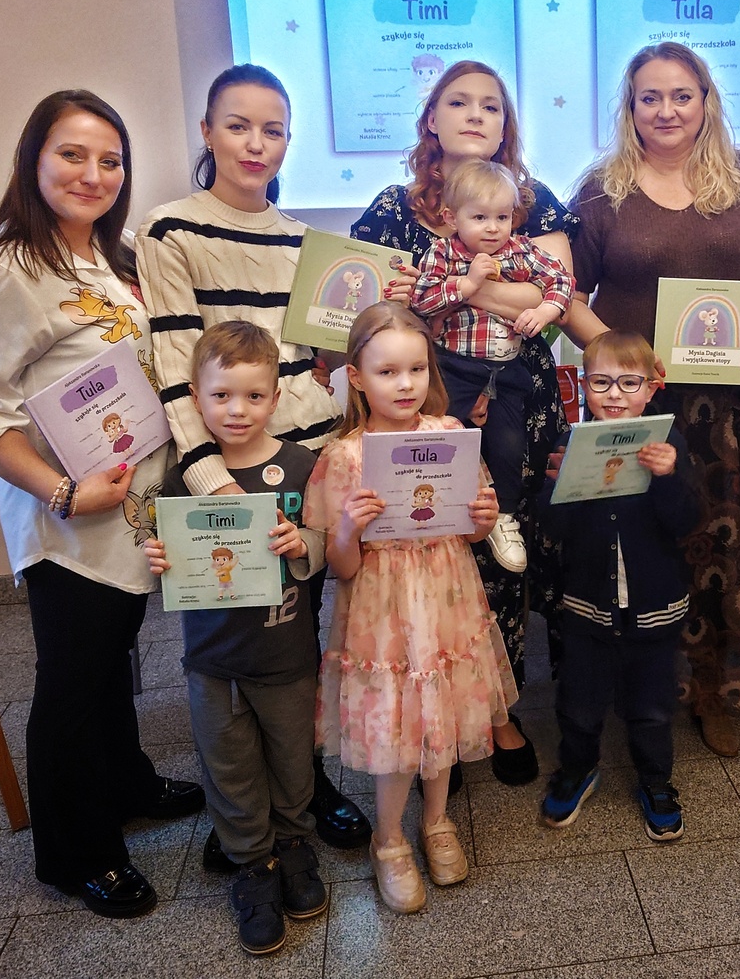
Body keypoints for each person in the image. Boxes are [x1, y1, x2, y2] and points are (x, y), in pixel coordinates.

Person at [0, 90, 202, 919]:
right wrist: (61, 490)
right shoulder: (3, 273)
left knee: (110, 658)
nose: (94, 174)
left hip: (130, 507)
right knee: (73, 679)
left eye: (110, 160)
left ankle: (124, 782)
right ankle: (75, 851)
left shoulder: (112, 261)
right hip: (68, 516)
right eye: (73, 154)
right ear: (33, 159)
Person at [136, 64, 371, 853]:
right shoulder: (169, 231)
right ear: (207, 131)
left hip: (309, 457)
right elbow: (176, 369)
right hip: (226, 467)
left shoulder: (306, 242)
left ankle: (304, 781)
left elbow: (317, 361)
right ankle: (240, 808)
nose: (255, 143)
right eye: (237, 125)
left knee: (298, 631)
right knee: (229, 636)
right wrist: (212, 484)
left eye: (273, 130)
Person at [353, 59, 577, 784]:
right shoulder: (392, 208)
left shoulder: (530, 201)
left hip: (517, 398)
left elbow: (551, 299)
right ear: (431, 118)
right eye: (459, 102)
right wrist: (482, 292)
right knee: (432, 549)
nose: (476, 114)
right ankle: (433, 711)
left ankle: (500, 708)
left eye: (491, 105)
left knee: (498, 536)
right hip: (427, 400)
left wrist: (462, 293)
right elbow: (372, 309)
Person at [567, 41, 740, 758]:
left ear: (706, 101)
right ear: (630, 106)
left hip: (723, 410)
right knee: (640, 542)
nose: (667, 110)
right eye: (650, 97)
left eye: (682, 95)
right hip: (635, 404)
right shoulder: (600, 190)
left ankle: (715, 690)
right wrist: (622, 360)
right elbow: (567, 297)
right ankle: (639, 690)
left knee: (722, 543)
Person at [303, 302, 519, 913]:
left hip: (447, 597)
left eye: (417, 369)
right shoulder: (345, 456)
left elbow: (471, 529)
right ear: (356, 377)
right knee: (398, 722)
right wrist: (349, 528)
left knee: (442, 709)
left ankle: (437, 820)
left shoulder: (449, 434)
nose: (405, 384)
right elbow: (341, 567)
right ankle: (390, 838)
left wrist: (483, 520)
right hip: (384, 612)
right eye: (388, 372)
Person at [143, 322, 328, 955]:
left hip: (287, 655)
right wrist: (160, 560)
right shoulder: (184, 479)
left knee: (293, 758)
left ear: (275, 397)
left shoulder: (301, 465)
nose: (237, 410)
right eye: (221, 396)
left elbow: (327, 545)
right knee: (229, 765)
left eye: (253, 396)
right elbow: (168, 561)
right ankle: (252, 863)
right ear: (196, 399)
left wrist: (303, 544)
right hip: (213, 660)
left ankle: (294, 843)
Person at [537, 330, 702, 841]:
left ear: (651, 388)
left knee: (651, 705)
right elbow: (551, 529)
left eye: (629, 383)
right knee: (578, 702)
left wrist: (668, 477)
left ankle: (656, 780)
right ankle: (578, 769)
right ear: (583, 385)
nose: (614, 394)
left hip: (654, 604)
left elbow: (686, 522)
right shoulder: (569, 443)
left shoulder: (669, 445)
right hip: (586, 605)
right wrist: (558, 487)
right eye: (601, 382)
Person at [412, 157, 575, 573]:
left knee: (509, 446)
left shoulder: (521, 251)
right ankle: (435, 509)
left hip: (507, 370)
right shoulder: (442, 253)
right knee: (441, 438)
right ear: (452, 217)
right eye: (479, 217)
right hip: (455, 367)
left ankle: (502, 515)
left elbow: (562, 282)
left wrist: (545, 311)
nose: (492, 228)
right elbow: (421, 299)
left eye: (502, 217)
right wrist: (466, 284)